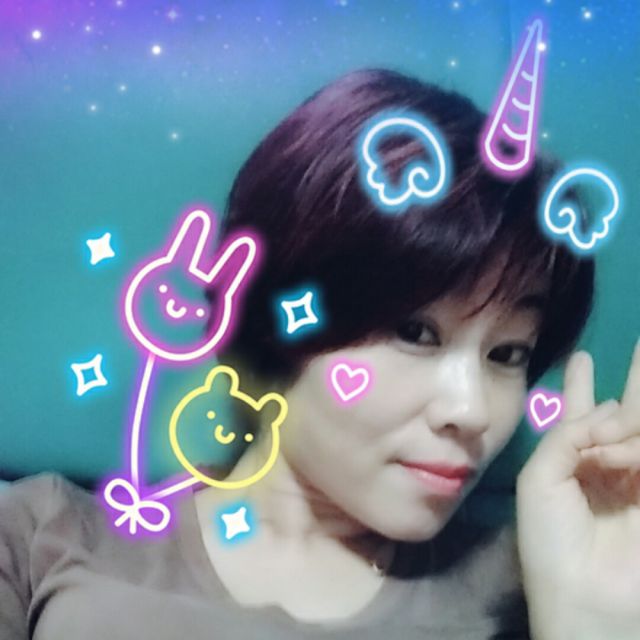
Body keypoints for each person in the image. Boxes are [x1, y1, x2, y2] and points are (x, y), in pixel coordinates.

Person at [2, 68, 639, 640]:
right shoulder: (43, 534)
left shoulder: (535, 584)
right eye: (415, 332)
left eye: (507, 353)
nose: (471, 412)